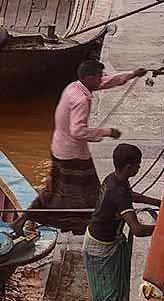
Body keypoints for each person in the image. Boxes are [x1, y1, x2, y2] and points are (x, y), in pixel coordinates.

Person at [25, 59, 150, 232]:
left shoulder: (74, 87)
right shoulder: (81, 99)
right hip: (72, 155)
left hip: (59, 148)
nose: (101, 79)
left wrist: (131, 74)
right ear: (89, 78)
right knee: (89, 194)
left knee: (52, 191)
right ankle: (87, 224)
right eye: (99, 77)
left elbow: (106, 82)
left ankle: (26, 218)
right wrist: (107, 131)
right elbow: (78, 131)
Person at [85, 143, 161, 301]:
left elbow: (130, 196)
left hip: (99, 240)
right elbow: (137, 229)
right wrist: (162, 226)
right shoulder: (117, 191)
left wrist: (159, 203)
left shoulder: (114, 179)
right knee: (111, 299)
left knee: (109, 294)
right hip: (102, 249)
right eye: (138, 165)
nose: (139, 168)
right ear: (129, 167)